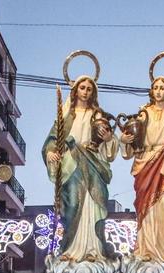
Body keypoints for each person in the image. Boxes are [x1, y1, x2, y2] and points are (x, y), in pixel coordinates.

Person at [43, 75, 118, 262]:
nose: (85, 92)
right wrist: (50, 153)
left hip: (94, 164)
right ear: (76, 90)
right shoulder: (66, 115)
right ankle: (71, 249)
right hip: (72, 166)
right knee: (73, 204)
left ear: (93, 93)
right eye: (82, 88)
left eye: (89, 89)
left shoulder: (98, 115)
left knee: (94, 203)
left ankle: (94, 250)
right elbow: (53, 140)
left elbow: (108, 144)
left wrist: (109, 139)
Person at [120, 77, 164, 262]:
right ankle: (145, 249)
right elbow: (133, 142)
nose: (159, 91)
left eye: (162, 88)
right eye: (155, 88)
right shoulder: (144, 113)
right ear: (151, 91)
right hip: (146, 162)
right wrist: (125, 141)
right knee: (147, 208)